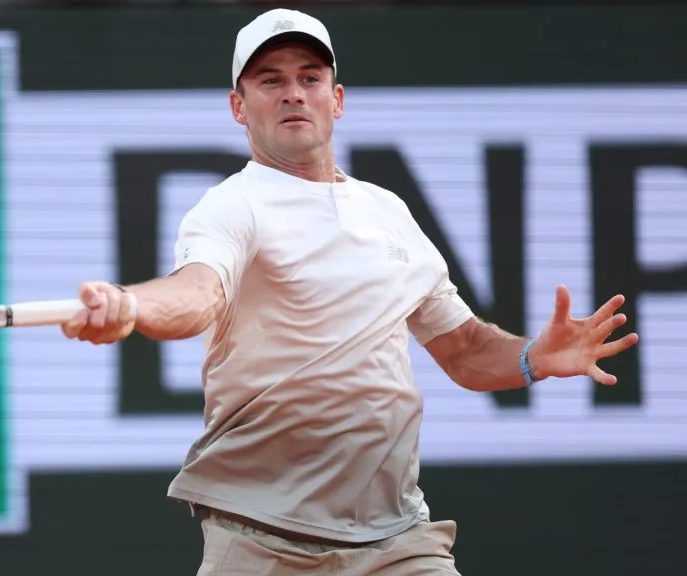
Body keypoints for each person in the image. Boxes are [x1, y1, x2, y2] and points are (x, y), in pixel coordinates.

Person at [60, 8, 639, 576]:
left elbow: (463, 348)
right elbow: (198, 294)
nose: (293, 93)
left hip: (398, 541)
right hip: (262, 541)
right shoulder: (232, 206)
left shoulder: (389, 211)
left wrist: (533, 356)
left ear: (336, 99)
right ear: (239, 107)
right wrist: (131, 306)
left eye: (310, 78)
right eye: (271, 81)